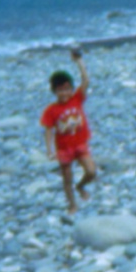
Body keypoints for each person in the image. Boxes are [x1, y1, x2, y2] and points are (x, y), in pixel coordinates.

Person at [42, 49, 97, 214]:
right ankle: (72, 204)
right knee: (67, 178)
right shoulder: (51, 110)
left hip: (80, 143)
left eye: (67, 89)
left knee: (91, 171)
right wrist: (49, 150)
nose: (64, 93)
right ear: (54, 91)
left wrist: (78, 62)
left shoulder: (76, 99)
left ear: (71, 89)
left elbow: (86, 80)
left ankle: (81, 186)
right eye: (60, 90)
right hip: (64, 148)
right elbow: (48, 131)